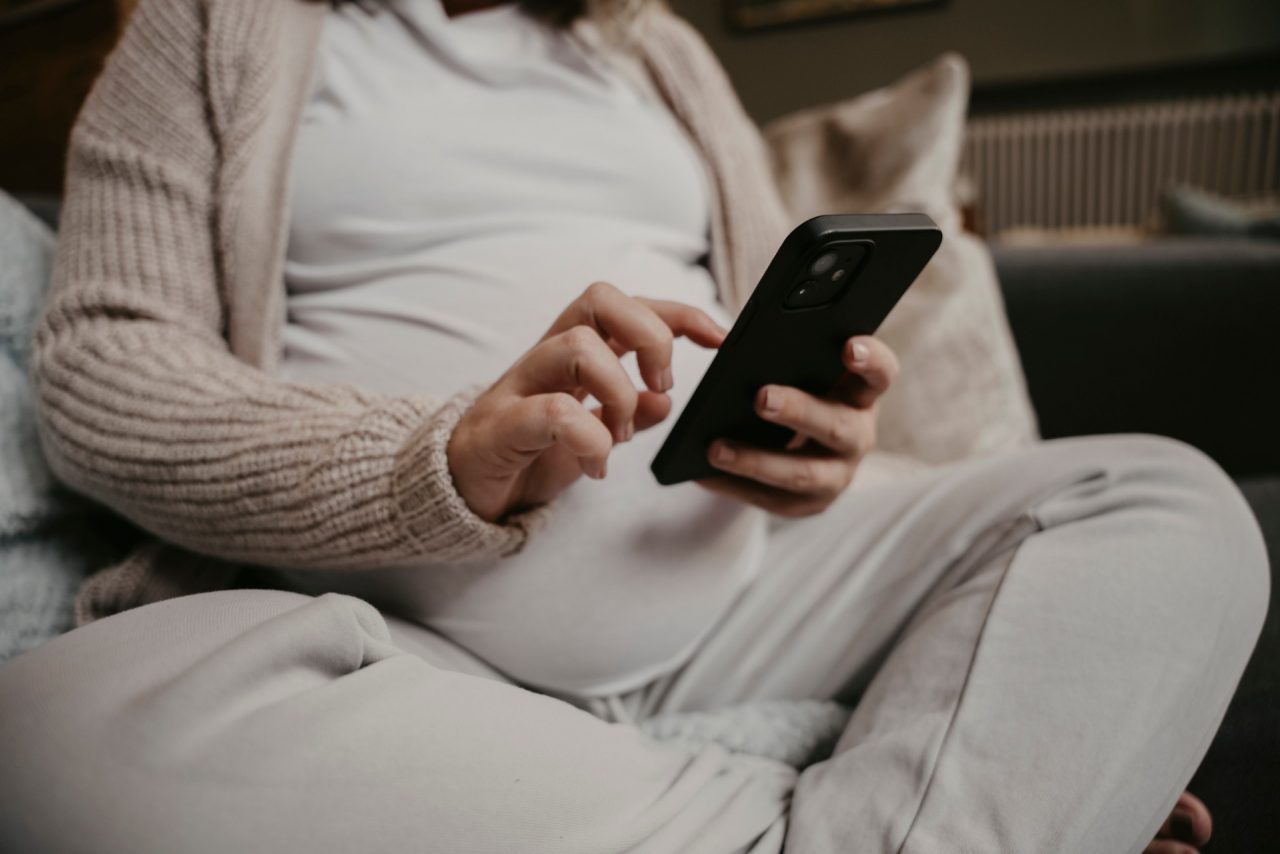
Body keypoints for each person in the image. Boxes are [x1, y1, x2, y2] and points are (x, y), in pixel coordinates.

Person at [0, 0, 1265, 851]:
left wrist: (825, 442)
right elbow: (106, 368)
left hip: (753, 592)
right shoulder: (207, 29)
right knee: (48, 727)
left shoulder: (653, 47)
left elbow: (779, 310)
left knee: (1155, 498)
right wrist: (430, 459)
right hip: (398, 640)